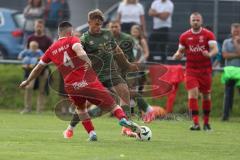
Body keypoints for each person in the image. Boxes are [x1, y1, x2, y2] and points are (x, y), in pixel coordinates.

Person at [19, 21, 141, 141]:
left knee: (81, 109)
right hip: (87, 81)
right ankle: (122, 119)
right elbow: (79, 49)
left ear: (58, 33)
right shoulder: (72, 40)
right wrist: (87, 60)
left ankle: (92, 133)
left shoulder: (51, 49)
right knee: (113, 105)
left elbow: (38, 68)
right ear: (70, 32)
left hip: (71, 86)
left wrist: (27, 80)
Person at [63, 9, 154, 139]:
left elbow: (117, 51)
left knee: (124, 91)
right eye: (95, 24)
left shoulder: (108, 35)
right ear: (89, 22)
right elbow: (76, 56)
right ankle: (71, 127)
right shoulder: (84, 39)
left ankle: (126, 127)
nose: (98, 27)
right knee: (86, 105)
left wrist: (127, 65)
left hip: (111, 73)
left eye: (100, 24)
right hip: (94, 76)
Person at [173, 12, 218, 131]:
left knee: (206, 95)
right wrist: (177, 55)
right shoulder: (184, 36)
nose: (195, 22)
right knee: (193, 94)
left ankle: (207, 123)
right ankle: (196, 123)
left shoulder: (208, 34)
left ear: (201, 21)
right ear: (190, 21)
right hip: (191, 69)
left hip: (205, 70)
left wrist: (209, 54)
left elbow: (215, 50)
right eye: (193, 20)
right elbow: (180, 51)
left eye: (197, 20)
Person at [20, 19, 52, 114]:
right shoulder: (30, 38)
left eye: (40, 26)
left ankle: (40, 110)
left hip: (43, 68)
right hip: (31, 68)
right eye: (37, 25)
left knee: (42, 90)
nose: (39, 27)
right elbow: (26, 52)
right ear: (34, 26)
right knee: (29, 87)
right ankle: (27, 108)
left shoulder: (48, 39)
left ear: (43, 27)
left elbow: (51, 54)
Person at [221, 23, 240, 121]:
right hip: (229, 71)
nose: (236, 32)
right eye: (234, 30)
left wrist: (236, 43)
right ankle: (225, 116)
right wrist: (237, 54)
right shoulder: (226, 42)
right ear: (231, 31)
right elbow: (224, 55)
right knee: (228, 94)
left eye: (238, 30)